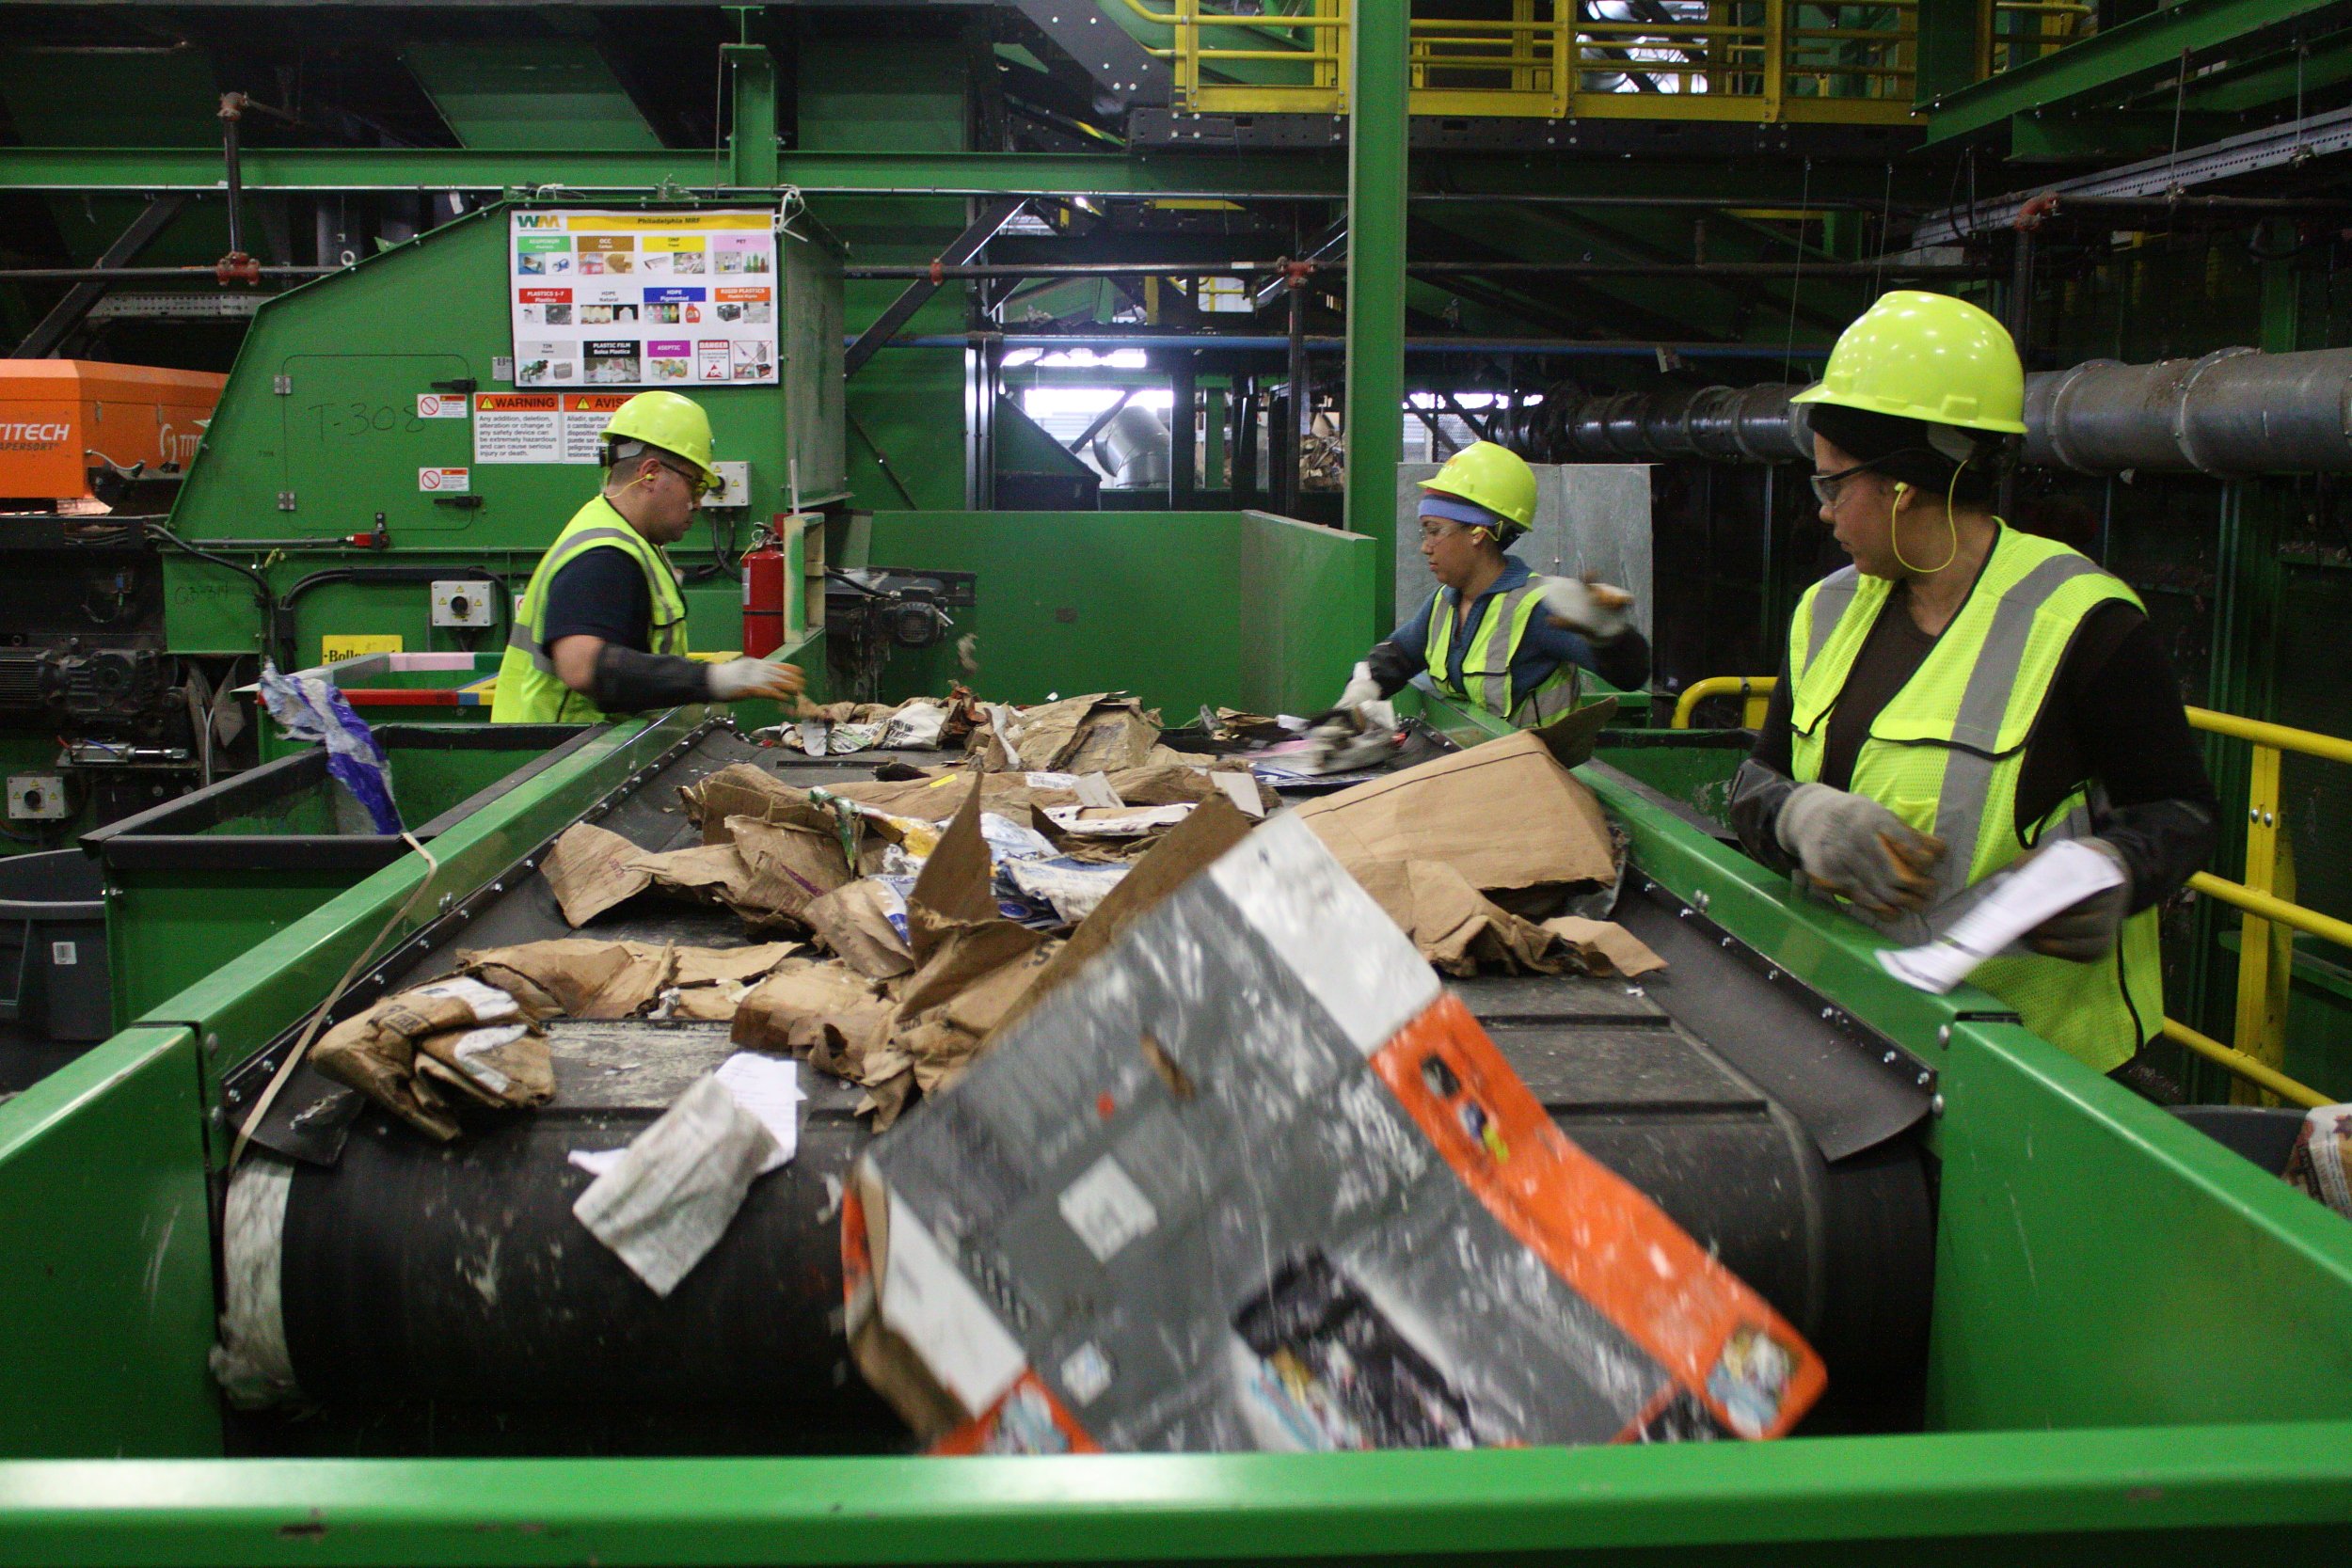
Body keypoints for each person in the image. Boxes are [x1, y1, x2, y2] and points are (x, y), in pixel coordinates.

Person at [1729, 291, 2217, 1095]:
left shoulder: (2082, 621)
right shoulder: (1824, 610)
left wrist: (2117, 868)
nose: (1823, 512)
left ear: (1904, 484)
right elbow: (1755, 781)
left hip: (2037, 1075)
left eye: (1831, 484)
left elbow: (2181, 810)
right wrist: (1798, 815)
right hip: (1853, 1031)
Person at [493, 390, 803, 723]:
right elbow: (581, 666)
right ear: (650, 473)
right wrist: (715, 680)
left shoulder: (627, 540)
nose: (698, 504)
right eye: (695, 486)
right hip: (559, 758)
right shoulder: (604, 556)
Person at [1327, 441, 1650, 730]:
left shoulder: (1537, 609)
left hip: (1539, 781)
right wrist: (1357, 697)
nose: (1425, 546)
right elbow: (1397, 656)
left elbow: (1630, 675)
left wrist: (1607, 633)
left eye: (1434, 530)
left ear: (1478, 533)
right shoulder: (1444, 603)